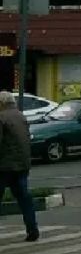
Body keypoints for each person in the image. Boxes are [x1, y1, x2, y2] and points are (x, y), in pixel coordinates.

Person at [0, 90, 39, 242]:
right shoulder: (20, 116)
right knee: (24, 197)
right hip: (22, 164)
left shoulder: (2, 117)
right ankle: (32, 230)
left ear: (2, 103)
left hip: (4, 166)